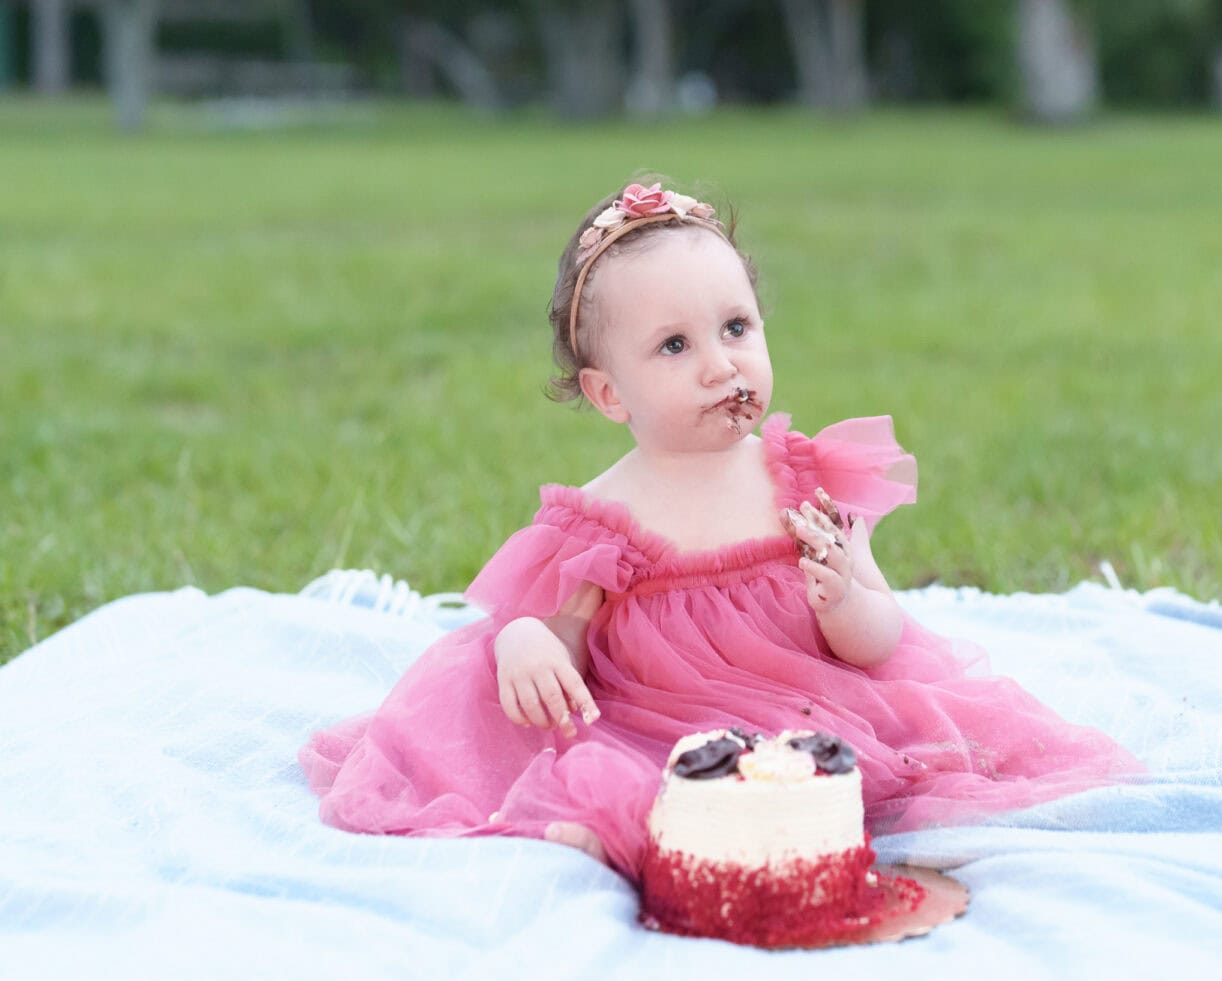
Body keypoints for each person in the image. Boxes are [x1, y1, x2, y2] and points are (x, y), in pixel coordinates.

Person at [299, 179, 1143, 878]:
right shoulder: (606, 516)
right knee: (619, 773)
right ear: (609, 394)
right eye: (674, 346)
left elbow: (879, 641)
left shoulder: (805, 478)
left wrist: (846, 593)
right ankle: (615, 831)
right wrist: (523, 639)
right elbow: (558, 638)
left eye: (736, 328)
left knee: (875, 764)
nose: (720, 364)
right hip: (659, 723)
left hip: (815, 705)